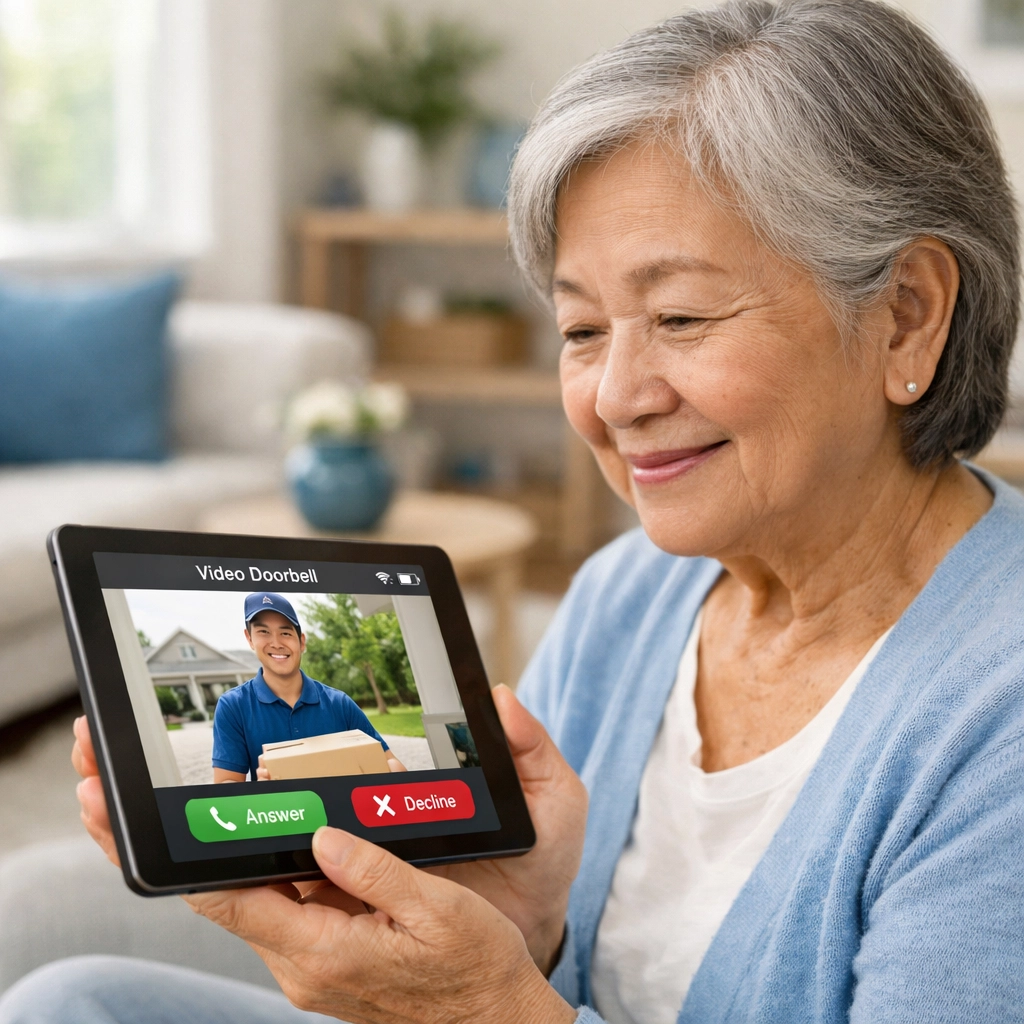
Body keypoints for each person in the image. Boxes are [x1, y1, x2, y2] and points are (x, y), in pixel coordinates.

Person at [4, 1, 1024, 1021]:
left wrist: (486, 1007)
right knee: (69, 999)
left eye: (679, 315)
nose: (617, 396)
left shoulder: (996, 712)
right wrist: (531, 935)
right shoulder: (628, 594)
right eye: (581, 327)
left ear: (907, 315)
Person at [212, 592, 406, 781]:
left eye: (285, 633)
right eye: (263, 632)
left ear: (301, 642)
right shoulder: (233, 706)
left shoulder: (339, 703)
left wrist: (383, 769)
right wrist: (262, 795)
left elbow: (392, 764)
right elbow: (226, 784)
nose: (276, 643)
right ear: (249, 639)